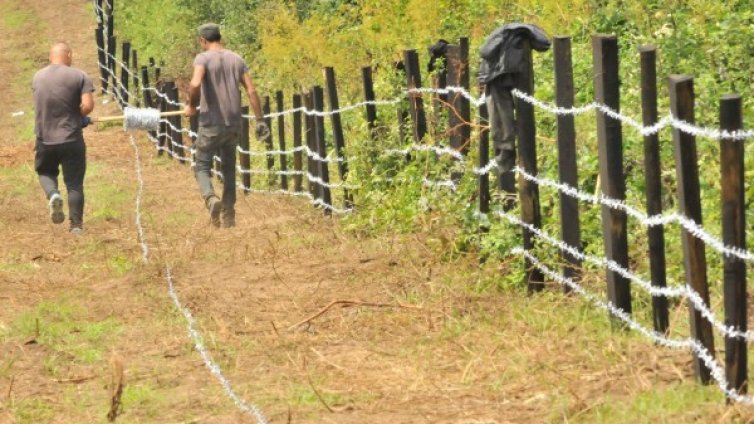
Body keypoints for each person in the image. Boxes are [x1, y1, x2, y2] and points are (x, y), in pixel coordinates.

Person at [184, 23, 268, 228]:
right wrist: (259, 120)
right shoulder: (237, 59)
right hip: (233, 124)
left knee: (202, 165)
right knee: (229, 169)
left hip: (211, 122)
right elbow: (251, 90)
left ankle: (211, 199)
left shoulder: (202, 58)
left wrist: (191, 106)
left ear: (203, 40)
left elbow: (195, 84)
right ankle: (229, 216)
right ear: (219, 37)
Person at [33, 42, 95, 234]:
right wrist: (81, 116)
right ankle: (76, 226)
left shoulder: (37, 77)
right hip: (71, 138)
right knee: (75, 183)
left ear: (51, 57)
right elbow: (87, 105)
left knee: (45, 173)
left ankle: (53, 194)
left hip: (45, 138)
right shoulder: (79, 75)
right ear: (68, 54)